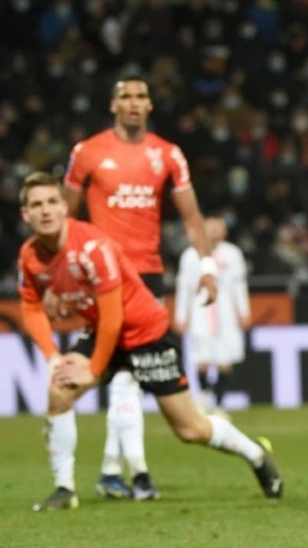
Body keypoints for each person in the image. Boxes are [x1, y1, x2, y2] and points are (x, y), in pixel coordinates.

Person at [16, 172, 282, 511]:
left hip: (145, 333)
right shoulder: (30, 255)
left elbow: (114, 316)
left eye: (53, 201)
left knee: (191, 430)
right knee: (59, 391)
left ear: (64, 206)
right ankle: (65, 489)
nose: (45, 210)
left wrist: (93, 369)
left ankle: (256, 454)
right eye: (36, 204)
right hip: (103, 331)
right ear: (25, 214)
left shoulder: (91, 247)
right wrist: (53, 356)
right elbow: (31, 304)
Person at [62, 74, 219, 501]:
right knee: (117, 378)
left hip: (147, 278)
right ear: (113, 105)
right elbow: (66, 218)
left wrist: (207, 264)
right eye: (125, 96)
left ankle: (116, 472)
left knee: (127, 378)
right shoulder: (87, 152)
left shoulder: (167, 154)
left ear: (150, 105)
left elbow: (191, 217)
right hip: (102, 277)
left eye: (141, 96)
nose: (134, 103)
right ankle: (121, 473)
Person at [173, 216, 251, 414]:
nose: (215, 231)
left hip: (226, 315)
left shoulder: (233, 254)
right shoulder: (190, 256)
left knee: (225, 362)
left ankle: (219, 403)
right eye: (211, 227)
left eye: (218, 227)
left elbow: (239, 286)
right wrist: (181, 316)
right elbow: (185, 289)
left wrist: (244, 312)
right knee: (202, 361)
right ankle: (205, 396)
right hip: (201, 312)